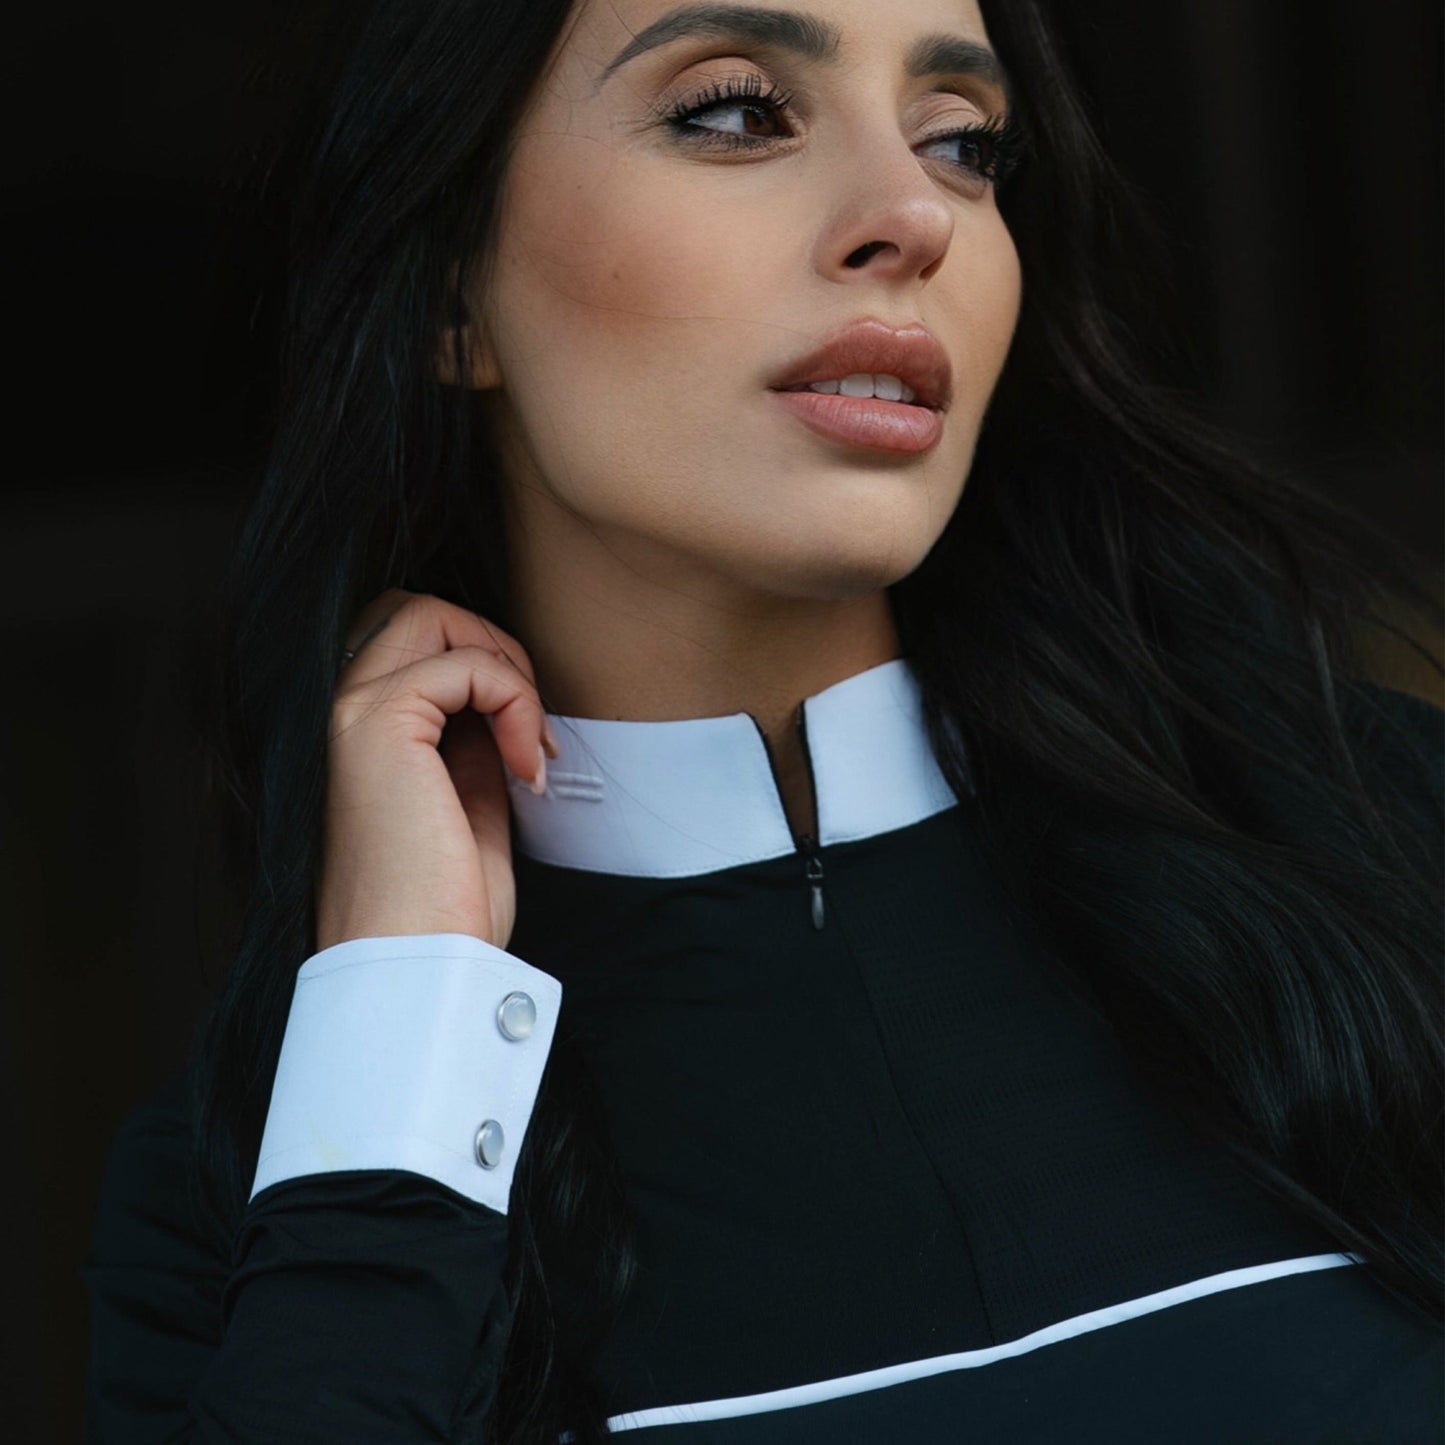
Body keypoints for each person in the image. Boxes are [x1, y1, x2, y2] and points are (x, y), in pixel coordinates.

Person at [81, 0, 1443, 1440]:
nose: (910, 212)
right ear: (448, 291)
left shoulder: (1386, 857)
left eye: (963, 143)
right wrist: (403, 1014)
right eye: (734, 110)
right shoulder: (258, 1190)